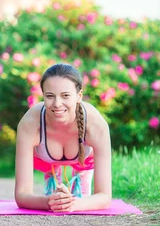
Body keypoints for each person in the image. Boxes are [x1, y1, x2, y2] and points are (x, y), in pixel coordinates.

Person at [14, 63, 112, 212]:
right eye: (50, 96)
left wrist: (72, 204)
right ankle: (53, 175)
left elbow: (104, 196)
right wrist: (49, 202)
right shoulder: (30, 124)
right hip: (44, 159)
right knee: (55, 191)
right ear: (43, 96)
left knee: (83, 195)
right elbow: (21, 195)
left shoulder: (96, 125)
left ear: (79, 96)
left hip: (83, 160)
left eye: (65, 95)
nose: (57, 104)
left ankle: (79, 177)